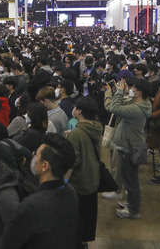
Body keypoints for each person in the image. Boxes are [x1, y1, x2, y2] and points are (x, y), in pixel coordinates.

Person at [2, 133, 79, 249]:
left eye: (36, 155)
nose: (33, 157)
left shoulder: (32, 205)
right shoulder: (70, 192)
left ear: (45, 166)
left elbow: (9, 243)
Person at [107, 78, 152, 219]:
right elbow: (122, 102)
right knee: (129, 179)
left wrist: (120, 90)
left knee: (131, 181)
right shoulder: (141, 104)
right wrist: (120, 90)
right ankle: (131, 202)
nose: (130, 89)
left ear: (139, 92)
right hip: (131, 146)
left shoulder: (136, 109)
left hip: (130, 148)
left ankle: (133, 210)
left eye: (133, 88)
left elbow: (114, 108)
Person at [66, 96, 103, 247]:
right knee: (88, 217)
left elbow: (72, 162)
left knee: (77, 219)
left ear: (79, 111)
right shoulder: (96, 127)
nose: (73, 109)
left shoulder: (76, 134)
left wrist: (63, 182)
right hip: (93, 179)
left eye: (75, 107)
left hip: (79, 182)